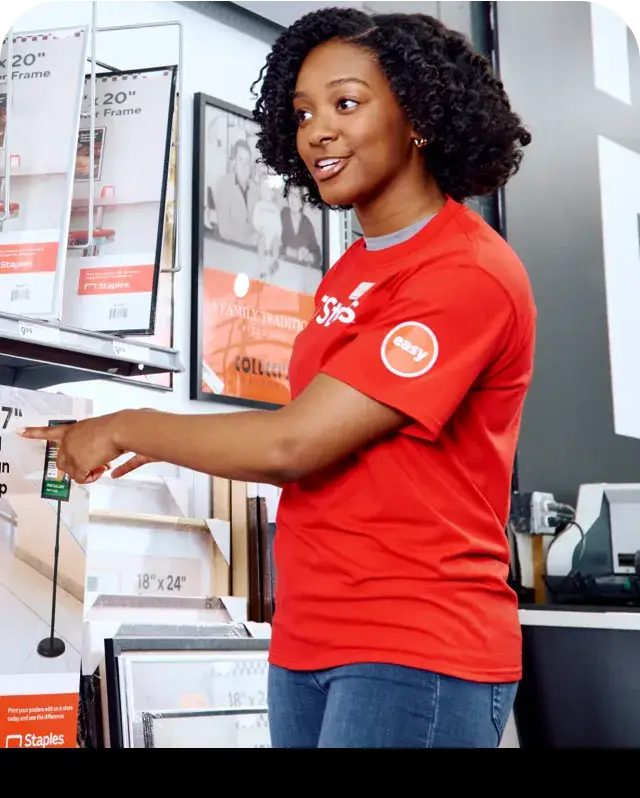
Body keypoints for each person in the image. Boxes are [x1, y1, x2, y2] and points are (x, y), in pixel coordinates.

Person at [19, 9, 535, 749]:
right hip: (309, 638)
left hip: (414, 642)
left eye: (346, 104)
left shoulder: (467, 272)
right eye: (301, 114)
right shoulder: (355, 267)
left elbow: (298, 441)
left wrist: (129, 427)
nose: (317, 130)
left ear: (418, 116)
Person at [214, 138, 259, 246]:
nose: (244, 165)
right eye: (240, 160)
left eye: (247, 161)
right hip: (229, 250)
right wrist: (248, 241)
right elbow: (224, 229)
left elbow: (259, 224)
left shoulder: (255, 189)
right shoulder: (224, 184)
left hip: (252, 253)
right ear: (234, 162)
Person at [280, 187, 322, 268]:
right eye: (291, 195)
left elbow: (317, 255)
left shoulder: (306, 224)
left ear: (302, 201)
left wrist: (308, 256)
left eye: (297, 196)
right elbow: (274, 244)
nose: (293, 200)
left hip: (300, 273)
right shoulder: (283, 214)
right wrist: (295, 253)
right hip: (281, 267)